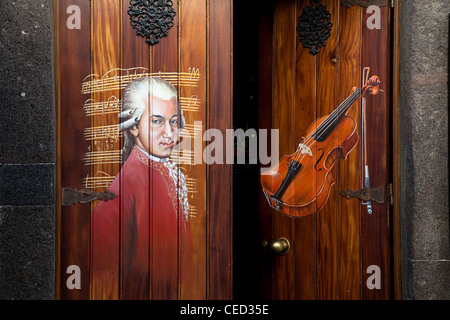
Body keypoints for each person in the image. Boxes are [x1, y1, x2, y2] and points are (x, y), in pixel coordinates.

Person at [91, 76, 190, 300]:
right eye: (157, 121)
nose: (169, 132)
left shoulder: (167, 171)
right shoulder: (125, 186)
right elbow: (104, 275)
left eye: (173, 121)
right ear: (134, 127)